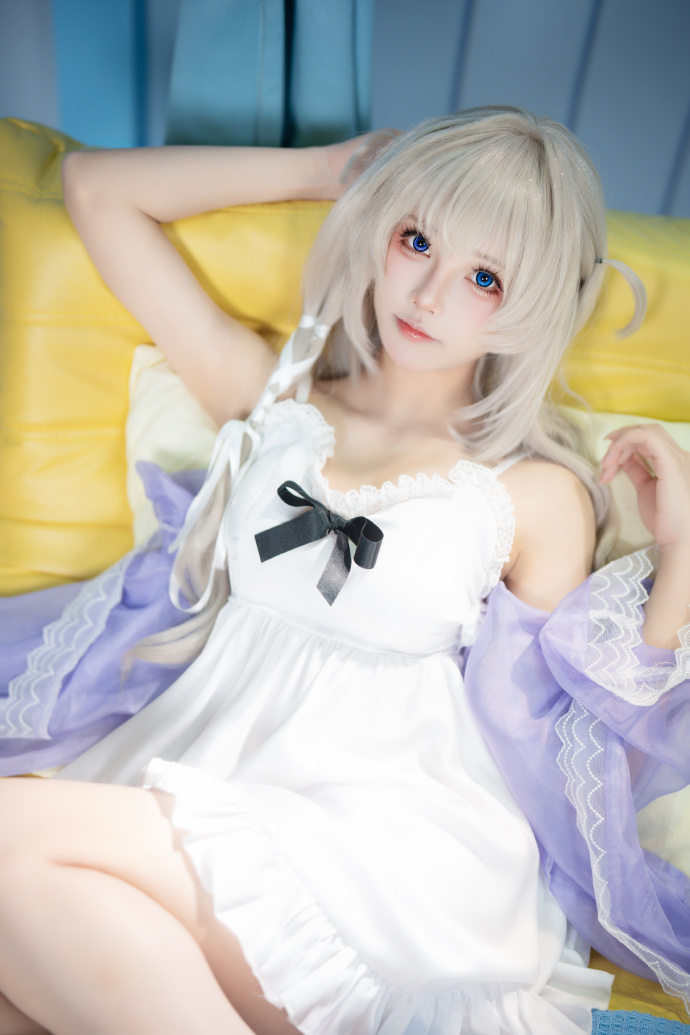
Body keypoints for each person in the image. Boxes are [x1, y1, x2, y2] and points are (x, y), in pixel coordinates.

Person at [0, 106, 688, 1035]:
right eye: (417, 240)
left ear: (531, 307)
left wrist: (681, 555)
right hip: (208, 774)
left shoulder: (532, 493)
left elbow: (582, 756)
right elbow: (96, 192)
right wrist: (328, 170)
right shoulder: (274, 401)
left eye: (484, 278)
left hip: (388, 851)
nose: (429, 294)